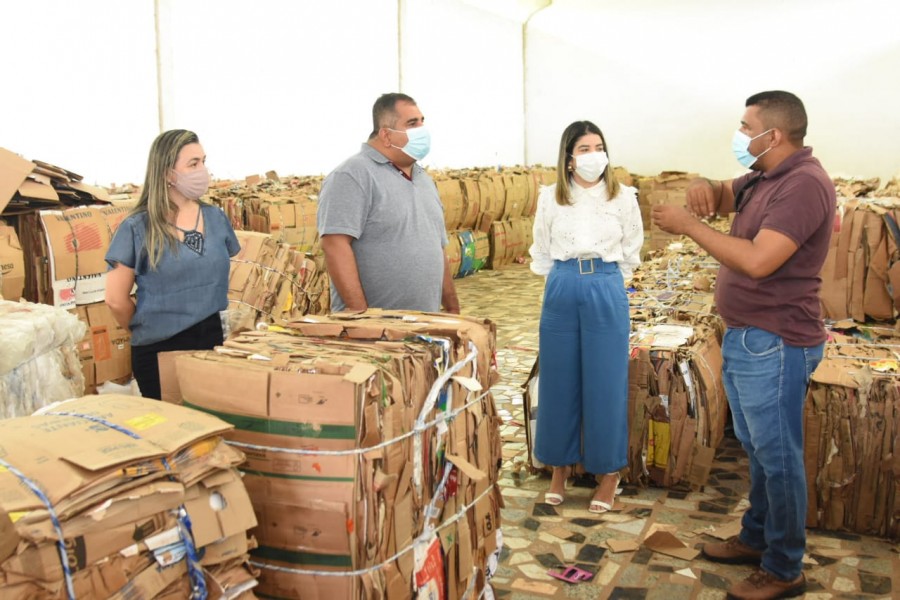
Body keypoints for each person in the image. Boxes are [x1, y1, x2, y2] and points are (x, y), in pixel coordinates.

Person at [651, 91, 835, 600]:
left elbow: (757, 260)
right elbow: (722, 191)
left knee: (779, 458)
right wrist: (702, 189)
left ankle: (783, 568)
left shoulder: (803, 185)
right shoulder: (764, 176)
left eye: (744, 125)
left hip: (776, 342)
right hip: (749, 337)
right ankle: (757, 539)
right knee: (758, 451)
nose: (739, 133)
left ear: (772, 134)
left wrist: (690, 226)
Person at [529, 120, 642, 514]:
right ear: (569, 158)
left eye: (599, 147)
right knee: (558, 380)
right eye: (584, 149)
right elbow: (541, 250)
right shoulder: (551, 197)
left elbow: (631, 250)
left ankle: (608, 473)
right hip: (561, 286)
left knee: (606, 382)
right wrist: (565, 282)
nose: (594, 155)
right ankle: (559, 467)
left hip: (606, 284)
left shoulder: (624, 196)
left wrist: (607, 284)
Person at [105, 129, 240, 400]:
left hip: (212, 345)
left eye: (203, 161)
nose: (203, 170)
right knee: (171, 431)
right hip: (160, 350)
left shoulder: (215, 218)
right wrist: (150, 327)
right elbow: (116, 300)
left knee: (209, 429)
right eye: (193, 164)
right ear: (167, 173)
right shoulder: (137, 228)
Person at [317, 92, 459, 314]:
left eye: (422, 122)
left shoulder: (423, 179)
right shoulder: (352, 175)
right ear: (386, 135)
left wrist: (451, 307)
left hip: (426, 325)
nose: (422, 130)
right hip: (376, 334)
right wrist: (359, 312)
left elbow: (436, 247)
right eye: (412, 123)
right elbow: (334, 244)